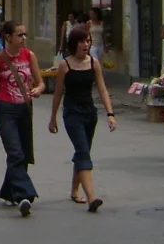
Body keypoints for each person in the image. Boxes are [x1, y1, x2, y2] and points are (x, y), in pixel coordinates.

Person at [49, 25, 117, 212]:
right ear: (74, 44)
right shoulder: (65, 65)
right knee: (83, 151)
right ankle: (92, 197)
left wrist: (110, 114)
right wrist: (52, 118)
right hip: (72, 113)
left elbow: (102, 89)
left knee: (82, 151)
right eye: (82, 41)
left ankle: (74, 190)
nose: (85, 45)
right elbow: (57, 93)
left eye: (88, 41)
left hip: (89, 113)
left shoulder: (94, 63)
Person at [0, 21, 45, 217]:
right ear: (8, 37)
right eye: (19, 35)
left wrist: (38, 89)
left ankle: (9, 191)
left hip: (25, 108)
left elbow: (41, 82)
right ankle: (25, 195)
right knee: (15, 151)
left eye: (25, 34)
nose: (24, 38)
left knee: (23, 153)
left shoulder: (29, 56)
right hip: (6, 109)